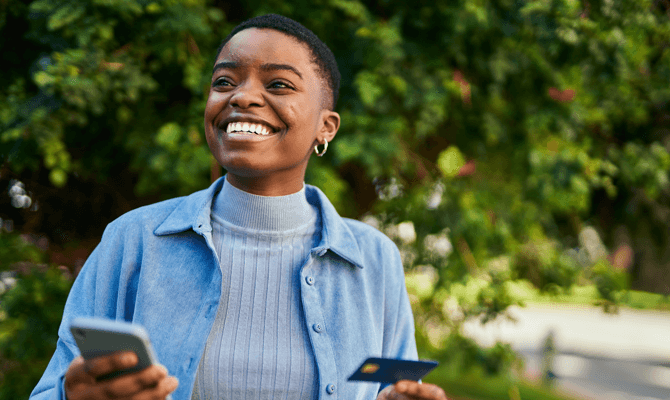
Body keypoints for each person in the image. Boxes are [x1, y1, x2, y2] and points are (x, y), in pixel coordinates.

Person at [30, 14, 449, 400]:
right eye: (225, 82)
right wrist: (73, 395)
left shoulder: (373, 260)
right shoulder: (134, 240)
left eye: (279, 85)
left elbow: (395, 387)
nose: (243, 97)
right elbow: (52, 390)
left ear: (327, 126)